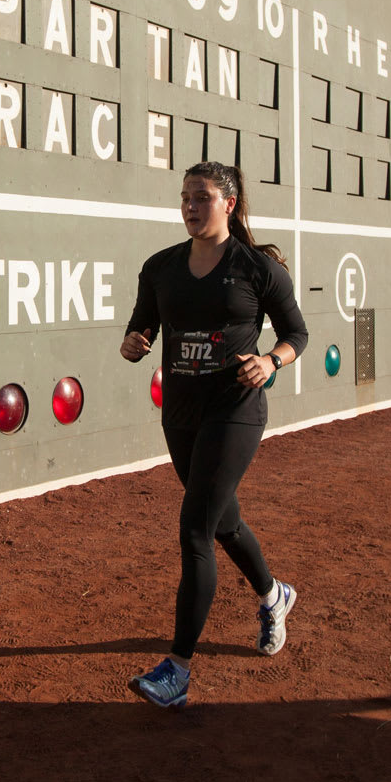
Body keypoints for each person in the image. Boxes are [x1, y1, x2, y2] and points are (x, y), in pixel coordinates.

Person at [119, 161, 307, 709]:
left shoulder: (257, 269)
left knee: (194, 530)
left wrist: (272, 361)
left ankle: (176, 671)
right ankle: (275, 596)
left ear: (229, 203)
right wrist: (135, 342)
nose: (190, 206)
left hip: (235, 411)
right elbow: (143, 324)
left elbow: (296, 332)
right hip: (181, 413)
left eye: (201, 196)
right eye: (184, 197)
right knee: (221, 521)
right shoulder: (160, 267)